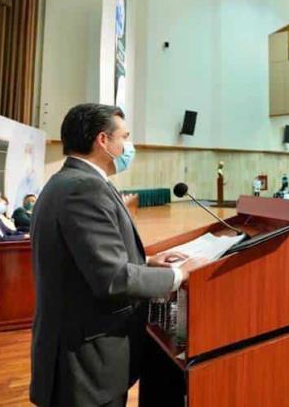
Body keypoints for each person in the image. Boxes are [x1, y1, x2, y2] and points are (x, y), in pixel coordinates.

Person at [29, 104, 206, 407]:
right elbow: (112, 279)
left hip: (76, 349)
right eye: (124, 136)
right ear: (102, 141)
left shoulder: (68, 182)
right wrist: (181, 274)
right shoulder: (84, 189)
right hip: (85, 361)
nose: (128, 145)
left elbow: (84, 259)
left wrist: (148, 262)